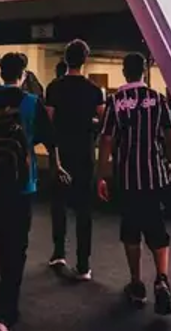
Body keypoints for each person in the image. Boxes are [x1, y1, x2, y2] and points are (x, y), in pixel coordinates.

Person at [0, 52, 66, 331]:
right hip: (22, 183)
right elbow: (50, 140)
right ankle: (7, 307)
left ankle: (5, 287)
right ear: (23, 74)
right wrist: (57, 167)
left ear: (1, 73)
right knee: (18, 243)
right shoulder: (31, 102)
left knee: (0, 239)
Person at [97, 53, 171, 315]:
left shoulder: (116, 101)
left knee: (131, 230)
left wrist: (101, 175)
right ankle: (162, 279)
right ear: (144, 71)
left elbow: (106, 140)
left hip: (127, 177)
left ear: (124, 72)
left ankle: (136, 284)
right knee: (157, 228)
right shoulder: (158, 99)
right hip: (154, 176)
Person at [44, 39, 106, 279]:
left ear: (65, 59)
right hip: (84, 153)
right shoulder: (94, 90)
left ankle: (59, 253)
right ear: (85, 60)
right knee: (84, 209)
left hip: (61, 152)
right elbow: (103, 121)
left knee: (58, 204)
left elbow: (49, 121)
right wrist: (91, 127)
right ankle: (83, 265)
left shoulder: (54, 87)